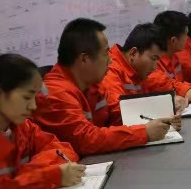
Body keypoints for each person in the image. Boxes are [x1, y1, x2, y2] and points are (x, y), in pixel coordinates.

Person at [34, 19, 180, 156]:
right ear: (84, 59)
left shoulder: (93, 83)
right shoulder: (56, 93)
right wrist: (144, 132)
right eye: (105, 53)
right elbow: (86, 140)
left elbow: (117, 116)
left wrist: (162, 119)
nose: (110, 60)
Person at [0, 54, 84, 189]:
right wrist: (46, 177)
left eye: (35, 97)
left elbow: (63, 150)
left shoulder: (22, 127)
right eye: (27, 97)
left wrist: (27, 177)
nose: (33, 106)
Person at [98, 23, 191, 115]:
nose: (155, 67)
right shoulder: (110, 71)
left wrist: (185, 91)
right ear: (133, 53)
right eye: (154, 58)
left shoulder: (139, 69)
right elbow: (119, 112)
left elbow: (164, 84)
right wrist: (164, 106)